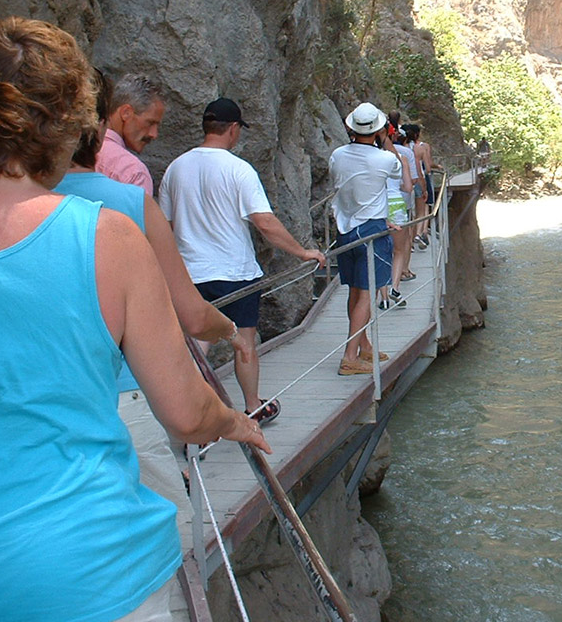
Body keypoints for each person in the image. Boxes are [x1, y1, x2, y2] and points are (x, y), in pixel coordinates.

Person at [0, 17, 269, 622]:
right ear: (69, 121)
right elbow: (185, 411)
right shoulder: (106, 236)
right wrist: (234, 421)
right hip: (97, 568)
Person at [55, 70, 250, 513]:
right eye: (151, 123)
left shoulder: (13, 206)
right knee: (168, 527)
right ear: (104, 121)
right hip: (121, 388)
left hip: (49, 401)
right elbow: (192, 315)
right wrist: (231, 336)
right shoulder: (129, 187)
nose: (155, 134)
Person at [159, 98, 326, 421]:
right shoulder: (238, 169)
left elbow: (165, 224)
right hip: (235, 273)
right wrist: (303, 251)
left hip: (190, 273)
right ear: (233, 129)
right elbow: (265, 222)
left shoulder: (176, 168)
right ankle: (252, 407)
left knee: (197, 343)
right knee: (244, 342)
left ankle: (185, 413)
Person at [329, 102, 402, 375]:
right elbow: (398, 168)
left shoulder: (337, 155)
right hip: (371, 230)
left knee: (355, 290)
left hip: (345, 229)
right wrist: (385, 139)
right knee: (366, 294)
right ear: (379, 129)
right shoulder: (384, 159)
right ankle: (349, 357)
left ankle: (364, 346)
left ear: (351, 128)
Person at [97, 73, 166, 196]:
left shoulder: (76, 153)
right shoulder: (133, 172)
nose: (154, 134)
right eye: (150, 123)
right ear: (126, 112)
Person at [378, 127, 414, 310]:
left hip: (379, 206)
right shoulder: (401, 159)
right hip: (397, 204)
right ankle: (395, 288)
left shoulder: (372, 158)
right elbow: (408, 188)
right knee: (398, 251)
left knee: (382, 251)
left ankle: (383, 297)